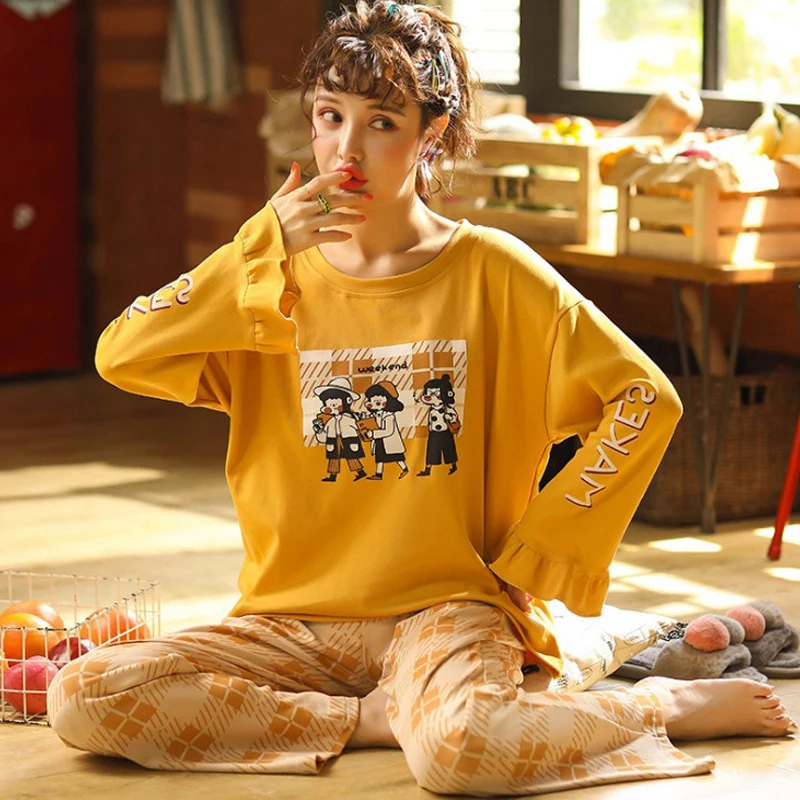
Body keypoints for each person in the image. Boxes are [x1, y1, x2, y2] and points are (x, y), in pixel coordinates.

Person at [47, 1, 794, 794]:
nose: (346, 149)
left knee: (459, 751)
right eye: (330, 116)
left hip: (448, 611)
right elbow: (120, 352)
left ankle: (662, 703)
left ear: (430, 134)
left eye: (382, 123)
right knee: (84, 694)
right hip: (293, 623)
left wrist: (543, 548)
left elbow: (643, 398)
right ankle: (371, 719)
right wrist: (257, 247)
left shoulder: (494, 272)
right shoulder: (267, 281)